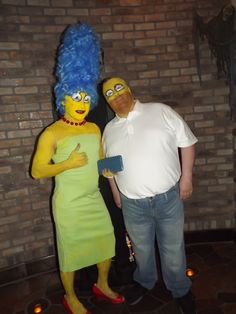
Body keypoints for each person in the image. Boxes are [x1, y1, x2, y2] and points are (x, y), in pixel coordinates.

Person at [31, 25, 124, 314]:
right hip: (68, 205)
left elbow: (100, 157)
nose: (82, 103)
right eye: (76, 97)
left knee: (107, 240)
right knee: (70, 253)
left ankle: (102, 285)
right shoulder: (52, 133)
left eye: (86, 98)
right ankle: (70, 296)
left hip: (92, 199)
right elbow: (36, 171)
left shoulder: (95, 127)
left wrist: (111, 170)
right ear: (64, 99)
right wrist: (67, 165)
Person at [101, 77, 198, 313]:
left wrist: (186, 177)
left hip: (168, 199)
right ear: (107, 101)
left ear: (129, 89)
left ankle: (180, 289)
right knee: (141, 248)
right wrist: (116, 194)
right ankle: (145, 282)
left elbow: (187, 142)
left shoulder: (161, 111)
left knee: (173, 249)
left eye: (119, 88)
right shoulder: (110, 129)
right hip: (132, 204)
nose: (117, 95)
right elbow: (109, 167)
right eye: (110, 93)